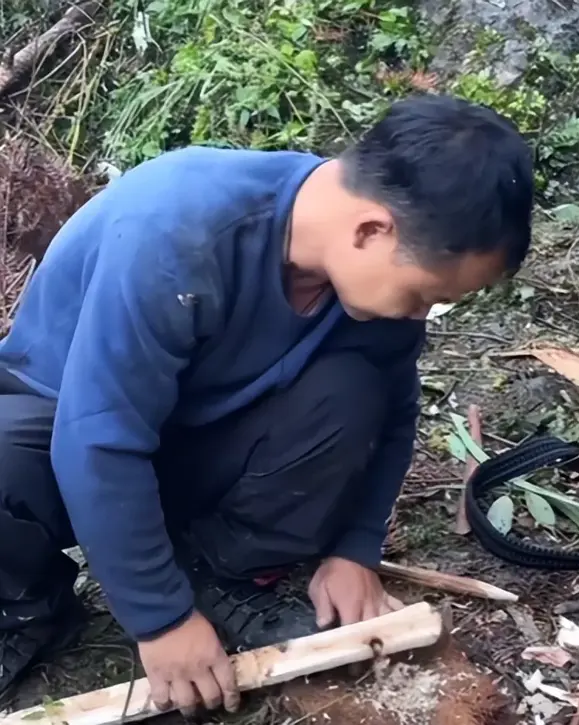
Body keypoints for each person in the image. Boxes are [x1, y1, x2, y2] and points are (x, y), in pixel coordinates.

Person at [0, 93, 534, 714]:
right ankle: (23, 608)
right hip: (66, 428)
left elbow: (392, 411)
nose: (419, 316)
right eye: (421, 295)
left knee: (357, 390)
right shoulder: (175, 234)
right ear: (371, 230)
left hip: (196, 438)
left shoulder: (365, 273)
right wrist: (161, 623)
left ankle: (221, 570)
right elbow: (97, 441)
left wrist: (354, 548)